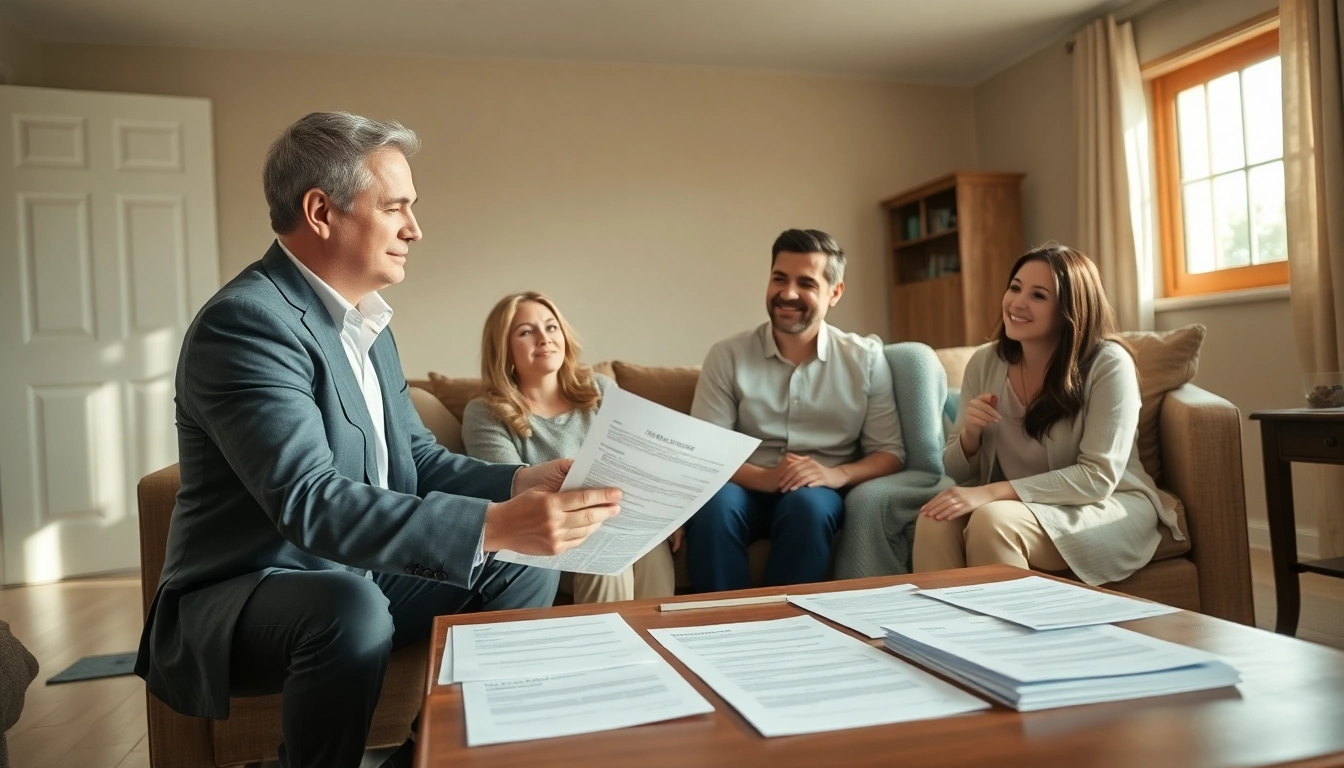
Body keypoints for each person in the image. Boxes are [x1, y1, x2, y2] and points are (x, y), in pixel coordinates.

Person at [134, 112, 621, 768]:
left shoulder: (369, 325)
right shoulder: (247, 325)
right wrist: (494, 522)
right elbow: (310, 500)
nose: (415, 229)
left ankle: (430, 758)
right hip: (248, 590)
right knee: (352, 602)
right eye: (396, 208)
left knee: (516, 562)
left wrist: (516, 483)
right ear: (321, 211)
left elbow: (416, 460)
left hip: (352, 574)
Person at [913, 244, 1183, 583]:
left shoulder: (1109, 365)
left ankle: (1019, 635)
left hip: (1100, 506)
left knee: (992, 521)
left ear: (1070, 310)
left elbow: (1097, 478)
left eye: (1038, 296)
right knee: (934, 518)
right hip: (1020, 507)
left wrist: (992, 492)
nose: (1017, 302)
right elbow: (953, 470)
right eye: (1015, 287)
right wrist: (970, 436)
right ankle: (936, 631)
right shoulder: (985, 362)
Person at [686, 229, 905, 591]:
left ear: (835, 293)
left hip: (818, 489)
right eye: (779, 279)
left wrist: (838, 475)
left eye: (806, 282)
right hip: (742, 484)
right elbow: (705, 451)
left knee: (810, 508)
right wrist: (765, 478)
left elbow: (891, 453)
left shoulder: (865, 358)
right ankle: (717, 626)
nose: (787, 294)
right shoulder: (727, 355)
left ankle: (787, 630)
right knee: (714, 507)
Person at [461, 292, 678, 603]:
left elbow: (639, 461)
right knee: (602, 552)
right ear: (503, 349)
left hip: (623, 521)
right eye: (526, 332)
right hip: (553, 540)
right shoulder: (485, 412)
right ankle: (608, 649)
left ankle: (656, 642)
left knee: (651, 545)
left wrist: (661, 513)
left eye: (551, 327)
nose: (543, 338)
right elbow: (510, 491)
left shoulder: (599, 389)